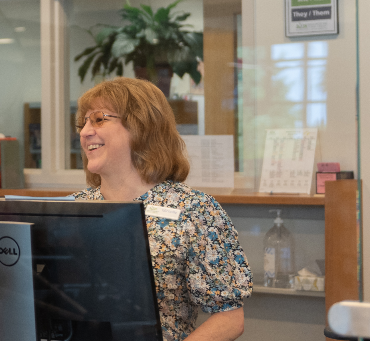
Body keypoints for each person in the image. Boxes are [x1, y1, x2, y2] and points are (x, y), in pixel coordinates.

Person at [72, 77, 251, 341]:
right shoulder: (70, 209)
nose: (85, 131)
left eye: (99, 119)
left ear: (141, 126)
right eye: (83, 122)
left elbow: (229, 317)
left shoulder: (194, 211)